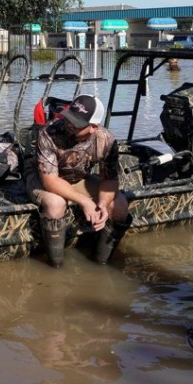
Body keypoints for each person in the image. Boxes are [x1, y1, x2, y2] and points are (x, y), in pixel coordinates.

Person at [24, 94, 132, 269]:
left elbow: (110, 180)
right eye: (69, 118)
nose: (69, 124)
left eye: (77, 123)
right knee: (55, 203)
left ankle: (101, 263)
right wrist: (84, 201)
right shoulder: (48, 133)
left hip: (77, 177)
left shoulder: (107, 141)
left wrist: (103, 204)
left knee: (119, 204)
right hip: (42, 177)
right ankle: (55, 266)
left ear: (93, 127)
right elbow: (50, 180)